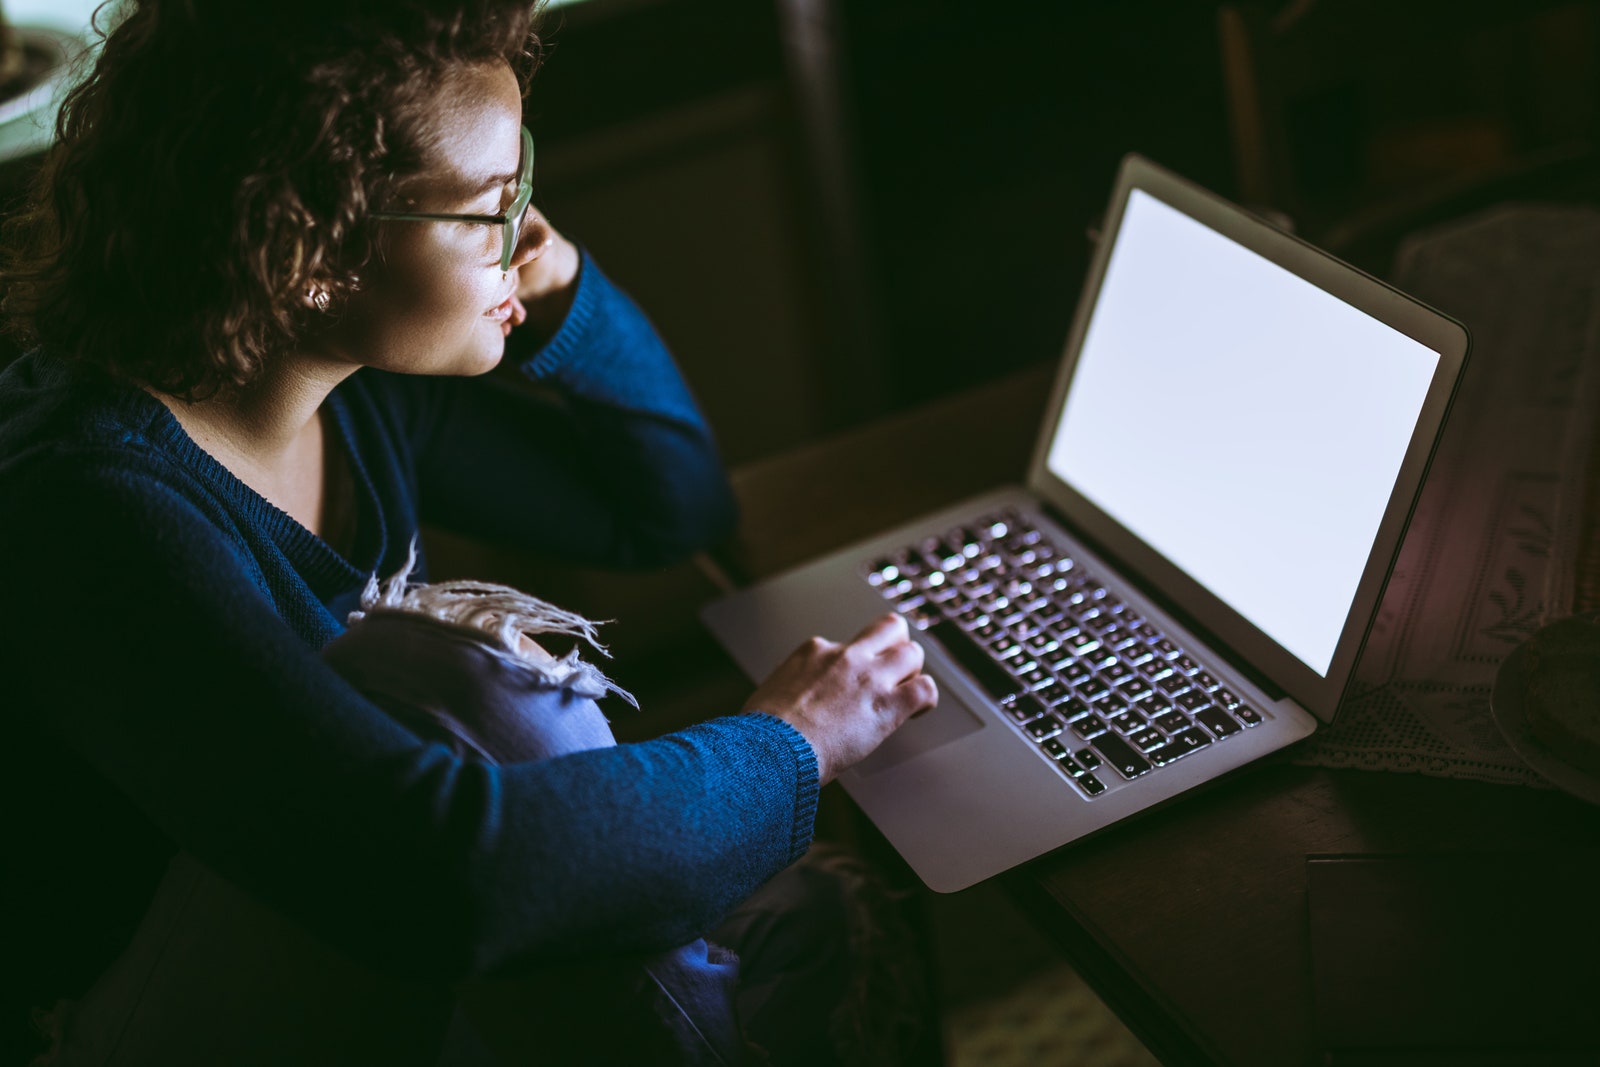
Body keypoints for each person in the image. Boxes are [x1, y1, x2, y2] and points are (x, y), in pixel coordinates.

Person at [0, 0, 938, 1062]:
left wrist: (567, 284)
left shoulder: (348, 390)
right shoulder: (91, 513)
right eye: (493, 207)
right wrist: (795, 745)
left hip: (349, 918)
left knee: (783, 915)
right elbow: (442, 873)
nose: (525, 231)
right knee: (481, 696)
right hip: (105, 1017)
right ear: (313, 247)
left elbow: (666, 511)